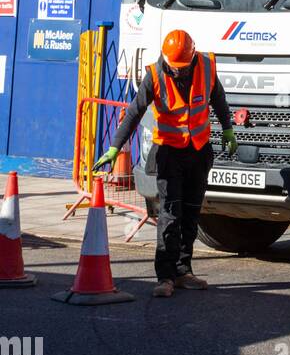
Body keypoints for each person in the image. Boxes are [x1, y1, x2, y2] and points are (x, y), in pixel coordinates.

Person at [94, 29, 237, 298]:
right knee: (170, 215)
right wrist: (115, 147)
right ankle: (165, 276)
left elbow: (218, 99)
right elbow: (135, 111)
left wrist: (228, 128)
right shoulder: (155, 74)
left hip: (198, 151)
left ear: (192, 58)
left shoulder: (206, 66)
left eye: (182, 67)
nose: (178, 71)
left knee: (191, 214)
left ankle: (184, 271)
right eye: (174, 66)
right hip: (170, 153)